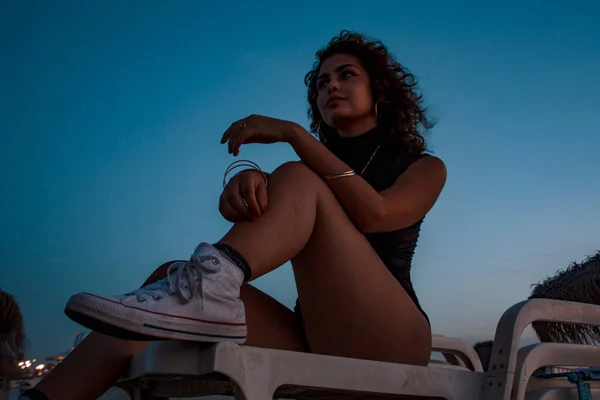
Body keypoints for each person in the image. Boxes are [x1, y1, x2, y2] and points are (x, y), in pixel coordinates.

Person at [22, 30, 447, 400]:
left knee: (296, 177)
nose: (330, 87)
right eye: (321, 83)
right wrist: (248, 182)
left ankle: (213, 284)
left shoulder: (423, 166)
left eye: (346, 75)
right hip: (316, 334)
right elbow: (286, 197)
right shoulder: (302, 176)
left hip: (393, 338)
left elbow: (377, 214)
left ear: (380, 90)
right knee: (167, 277)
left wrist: (293, 136)